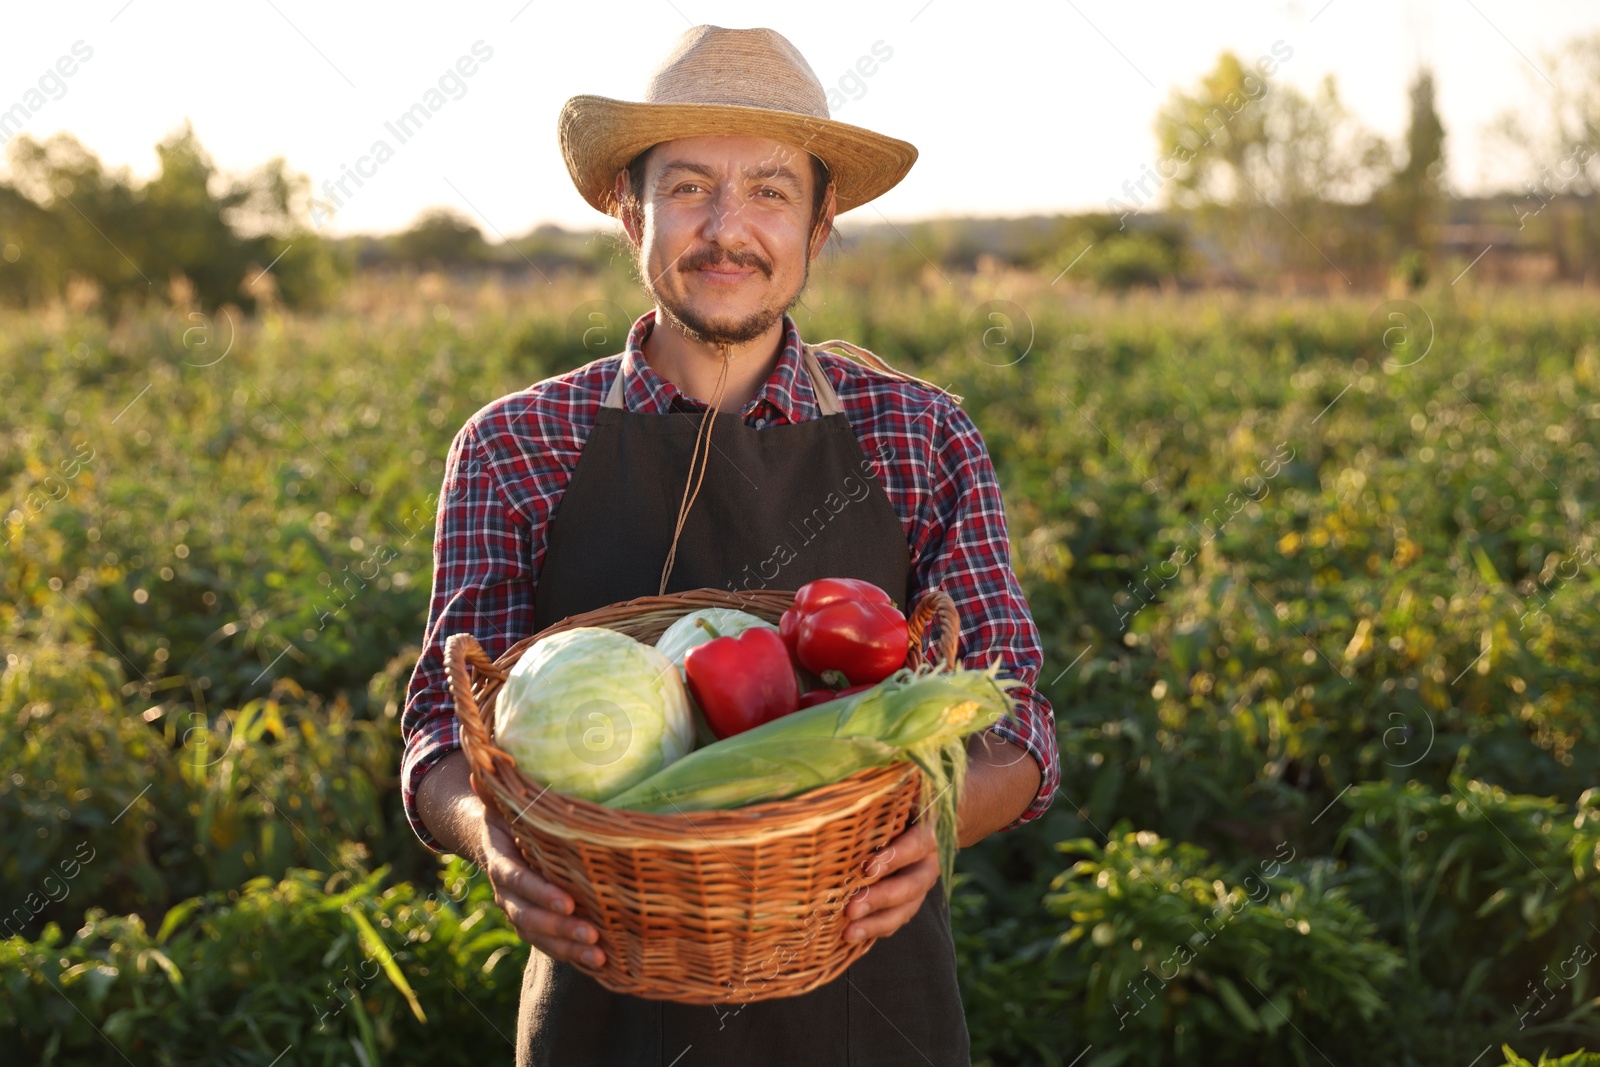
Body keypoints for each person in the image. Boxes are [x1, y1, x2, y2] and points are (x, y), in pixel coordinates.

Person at [400, 24, 1060, 1067]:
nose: (727, 229)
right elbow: (444, 724)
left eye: (767, 191)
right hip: (606, 1005)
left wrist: (941, 823)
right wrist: (496, 843)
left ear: (820, 221)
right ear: (632, 212)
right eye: (691, 188)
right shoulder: (514, 445)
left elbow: (1018, 714)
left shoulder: (920, 434)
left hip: (868, 1005)